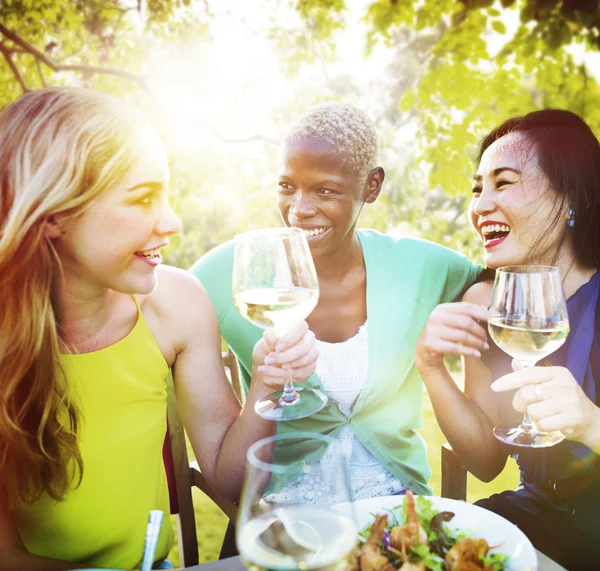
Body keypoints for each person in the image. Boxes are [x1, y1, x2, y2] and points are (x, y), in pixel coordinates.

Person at [0, 87, 317, 571]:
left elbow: (229, 480)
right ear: (53, 215)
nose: (172, 221)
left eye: (165, 194)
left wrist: (268, 383)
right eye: (143, 198)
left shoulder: (176, 304)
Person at [191, 101, 482, 502]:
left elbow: (500, 280)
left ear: (372, 186)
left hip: (398, 512)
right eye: (287, 186)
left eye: (324, 190)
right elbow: (152, 304)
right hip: (282, 518)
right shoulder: (230, 271)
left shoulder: (422, 266)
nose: (299, 209)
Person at [415, 109, 600, 569]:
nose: (478, 207)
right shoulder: (487, 301)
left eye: (504, 183)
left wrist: (591, 424)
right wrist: (431, 368)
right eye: (478, 188)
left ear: (571, 194)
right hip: (536, 521)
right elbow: (484, 461)